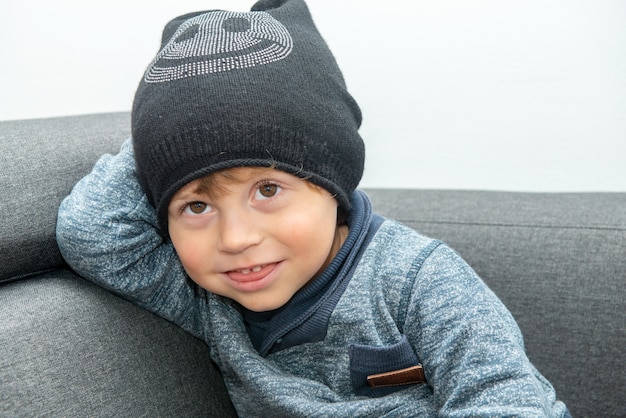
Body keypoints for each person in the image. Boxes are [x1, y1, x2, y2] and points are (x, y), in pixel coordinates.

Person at [56, 0, 570, 416]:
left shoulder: (417, 280)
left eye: (268, 191)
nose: (235, 239)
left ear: (333, 183)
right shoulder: (209, 301)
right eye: (195, 206)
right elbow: (91, 233)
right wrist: (164, 137)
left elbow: (507, 399)